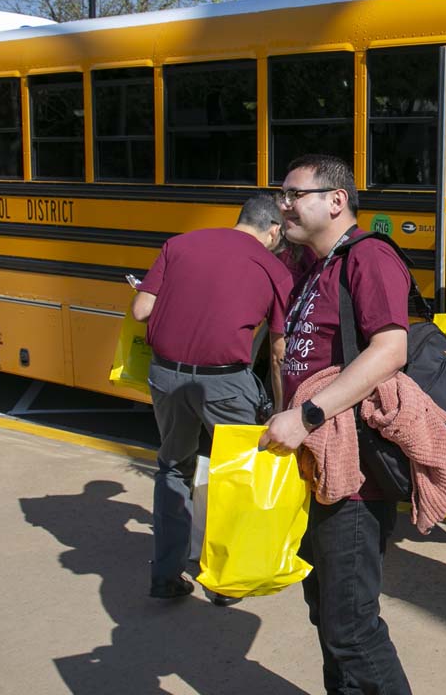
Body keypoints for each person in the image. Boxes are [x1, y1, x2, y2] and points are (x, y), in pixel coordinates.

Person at [260, 154, 413, 694]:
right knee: (326, 613)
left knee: (351, 629)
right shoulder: (313, 265)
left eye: (293, 194)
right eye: (281, 195)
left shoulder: (369, 257)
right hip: (316, 467)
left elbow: (391, 349)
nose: (283, 205)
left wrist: (306, 415)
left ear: (336, 200)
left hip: (355, 474)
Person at [130, 194, 293, 604]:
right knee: (235, 476)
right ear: (274, 230)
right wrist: (281, 409)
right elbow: (278, 351)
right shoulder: (275, 268)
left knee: (173, 468)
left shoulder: (180, 244)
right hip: (225, 384)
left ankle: (166, 575)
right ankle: (224, 582)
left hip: (166, 375)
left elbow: (141, 310)